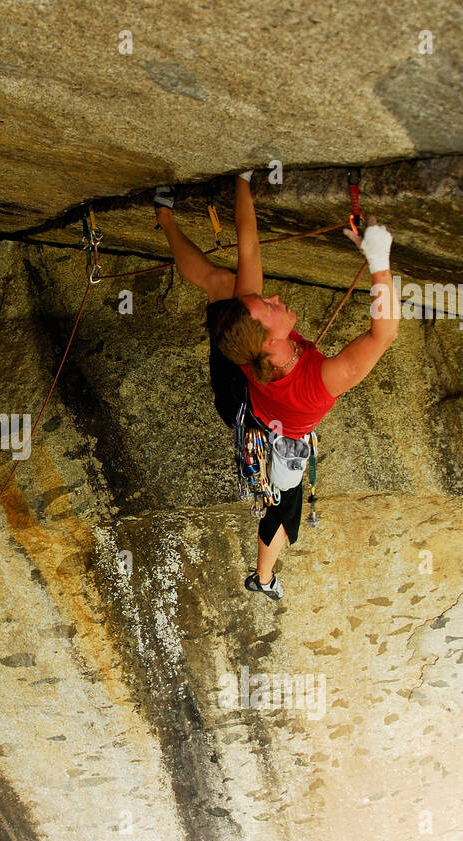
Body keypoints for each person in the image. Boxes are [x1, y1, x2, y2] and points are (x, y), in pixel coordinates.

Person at [154, 173, 398, 601]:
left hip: (242, 403)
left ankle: (262, 579)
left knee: (284, 503)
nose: (275, 299)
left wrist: (243, 181)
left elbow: (249, 247)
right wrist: (378, 262)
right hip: (252, 408)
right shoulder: (290, 370)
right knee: (219, 283)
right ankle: (164, 216)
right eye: (267, 305)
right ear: (270, 341)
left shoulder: (269, 352)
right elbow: (383, 335)